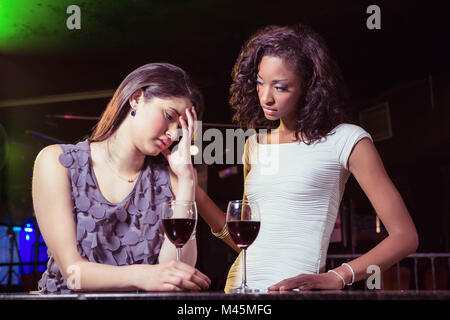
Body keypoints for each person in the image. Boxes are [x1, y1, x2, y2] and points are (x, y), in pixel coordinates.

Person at [195, 24, 419, 292]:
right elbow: (243, 238)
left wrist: (338, 276)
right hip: (239, 291)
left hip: (297, 293)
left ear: (309, 86)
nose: (266, 97)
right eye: (259, 82)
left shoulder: (347, 140)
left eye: (280, 87)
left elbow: (405, 236)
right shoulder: (255, 145)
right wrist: (191, 188)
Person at [32, 62, 211, 293]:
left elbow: (176, 274)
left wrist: (187, 181)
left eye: (182, 127)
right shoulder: (57, 163)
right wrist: (142, 275)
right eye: (169, 116)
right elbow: (72, 272)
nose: (173, 133)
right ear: (136, 98)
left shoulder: (172, 180)